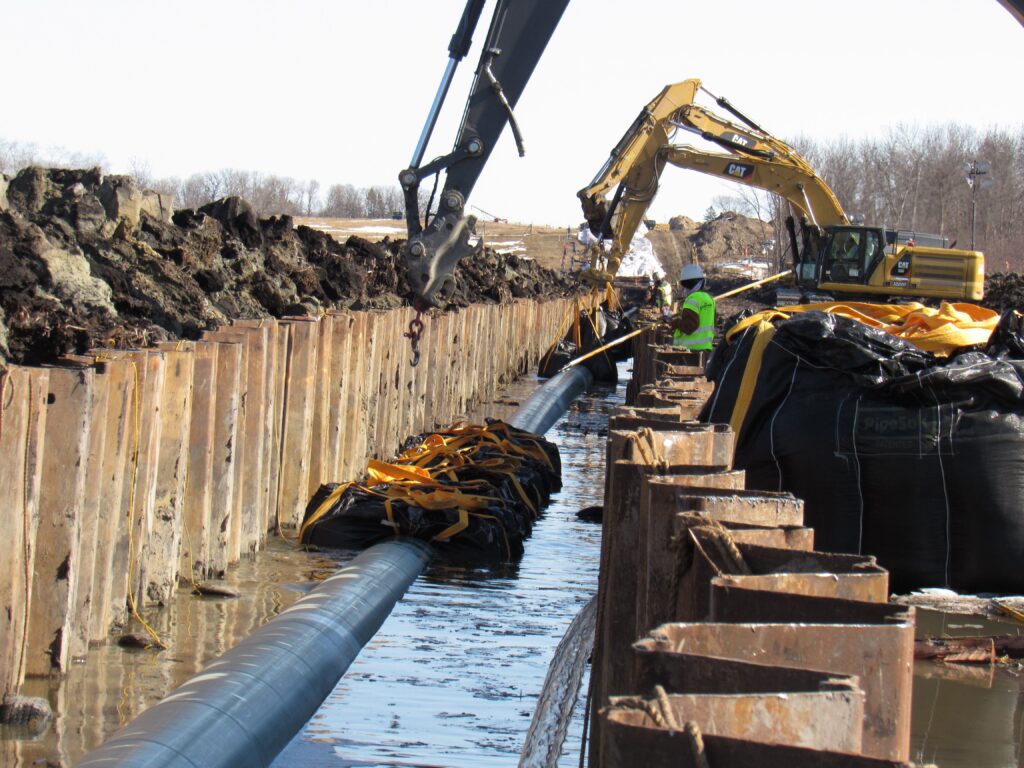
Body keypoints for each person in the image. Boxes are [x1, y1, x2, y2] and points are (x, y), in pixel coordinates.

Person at [666, 263, 715, 350]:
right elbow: (711, 321)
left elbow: (689, 326)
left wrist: (676, 323)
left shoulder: (691, 299)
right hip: (706, 348)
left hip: (689, 350)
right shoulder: (709, 299)